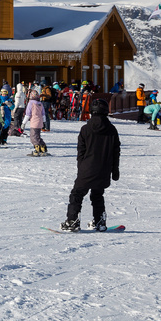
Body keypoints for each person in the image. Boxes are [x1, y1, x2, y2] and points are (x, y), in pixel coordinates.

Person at [60, 97, 121, 232]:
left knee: (77, 194)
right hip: (104, 169)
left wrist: (81, 167)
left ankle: (72, 221)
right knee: (97, 194)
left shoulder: (86, 129)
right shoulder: (111, 130)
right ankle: (99, 221)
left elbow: (81, 151)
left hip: (87, 168)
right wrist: (115, 170)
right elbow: (115, 151)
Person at [23, 89, 49, 155]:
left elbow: (28, 114)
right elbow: (43, 114)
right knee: (37, 136)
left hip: (34, 122)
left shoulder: (31, 103)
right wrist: (44, 122)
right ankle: (42, 147)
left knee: (33, 137)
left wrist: (23, 123)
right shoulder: (40, 104)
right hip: (40, 122)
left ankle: (37, 148)